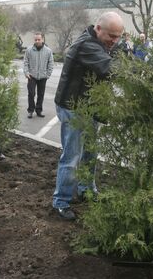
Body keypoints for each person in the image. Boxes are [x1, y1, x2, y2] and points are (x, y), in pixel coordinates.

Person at [52, 11, 124, 220]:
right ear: (98, 29)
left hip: (88, 107)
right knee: (72, 155)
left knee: (90, 153)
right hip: (73, 107)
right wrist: (138, 71)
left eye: (118, 36)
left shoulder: (101, 43)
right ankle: (61, 202)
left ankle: (86, 190)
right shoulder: (87, 45)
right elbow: (109, 68)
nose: (115, 41)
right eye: (112, 35)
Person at [23, 32, 54, 118]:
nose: (37, 41)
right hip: (31, 76)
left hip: (43, 77)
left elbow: (51, 63)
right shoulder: (29, 50)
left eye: (39, 39)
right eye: (35, 39)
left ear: (42, 39)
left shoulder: (48, 51)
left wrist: (48, 75)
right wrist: (26, 72)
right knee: (31, 93)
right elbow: (25, 62)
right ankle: (30, 110)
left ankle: (39, 110)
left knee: (41, 94)